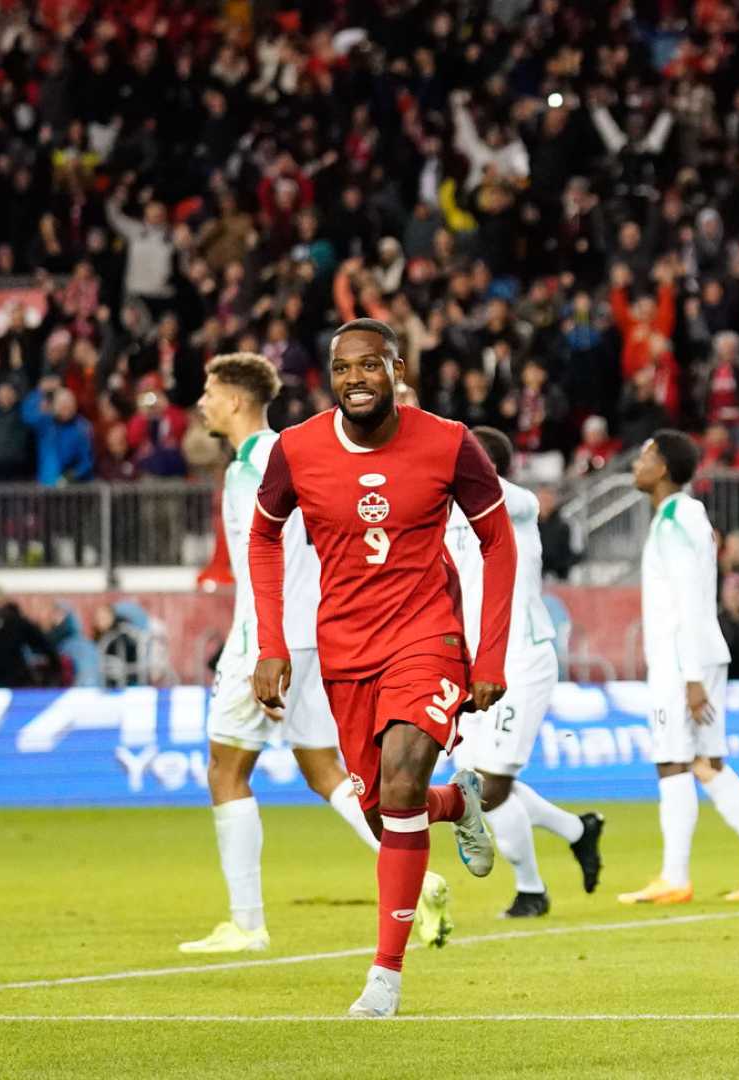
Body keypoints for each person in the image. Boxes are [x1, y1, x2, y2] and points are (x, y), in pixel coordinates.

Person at [249, 318, 516, 1017]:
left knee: (398, 783)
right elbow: (264, 537)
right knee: (381, 809)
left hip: (427, 638)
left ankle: (384, 978)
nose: (355, 379)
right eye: (342, 368)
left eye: (370, 366)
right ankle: (457, 802)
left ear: (397, 368)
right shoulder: (296, 449)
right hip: (344, 653)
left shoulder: (450, 443)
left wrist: (489, 654)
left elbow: (498, 542)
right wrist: (271, 643)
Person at [181, 353, 437, 956]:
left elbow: (258, 558)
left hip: (264, 641)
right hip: (316, 633)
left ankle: (247, 924)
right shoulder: (301, 450)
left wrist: (260, 650)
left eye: (210, 392)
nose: (202, 404)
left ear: (238, 401)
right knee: (326, 772)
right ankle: (415, 880)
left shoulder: (251, 466)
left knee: (225, 769)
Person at [619, 429, 739, 907]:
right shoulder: (679, 517)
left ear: (665, 469)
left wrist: (691, 676)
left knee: (673, 761)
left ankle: (675, 877)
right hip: (692, 657)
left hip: (683, 661)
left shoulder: (677, 519)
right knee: (705, 763)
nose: (638, 462)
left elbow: (692, 599)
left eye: (646, 454)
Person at [444, 425, 604, 919]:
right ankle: (576, 834)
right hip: (473, 659)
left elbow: (493, 492)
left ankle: (532, 888)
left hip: (520, 660)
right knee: (473, 778)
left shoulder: (518, 506)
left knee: (487, 788)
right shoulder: (446, 513)